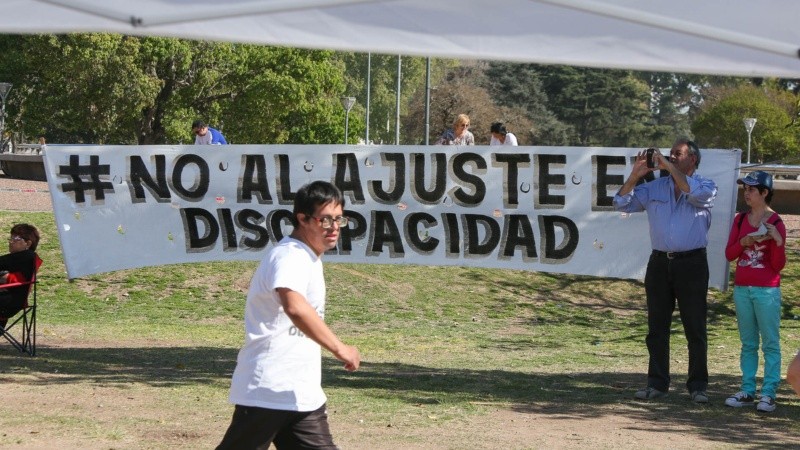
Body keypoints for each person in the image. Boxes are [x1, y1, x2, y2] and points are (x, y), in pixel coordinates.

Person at [217, 181, 360, 450]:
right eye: (325, 220)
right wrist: (340, 348)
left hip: (299, 395)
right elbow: (294, 307)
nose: (334, 228)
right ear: (303, 219)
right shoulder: (290, 256)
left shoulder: (307, 257)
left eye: (339, 219)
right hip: (268, 389)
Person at [613, 138, 717, 404]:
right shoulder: (655, 187)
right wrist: (636, 174)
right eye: (670, 154)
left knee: (695, 327)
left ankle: (697, 386)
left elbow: (689, 189)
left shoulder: (706, 185)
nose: (671, 157)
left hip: (692, 264)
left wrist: (669, 167)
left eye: (677, 154)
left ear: (693, 159)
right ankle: (657, 384)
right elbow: (621, 203)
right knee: (657, 327)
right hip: (659, 263)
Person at [723, 170, 786, 412]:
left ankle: (769, 393)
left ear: (764, 192)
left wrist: (778, 241)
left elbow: (778, 266)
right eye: (745, 189)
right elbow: (729, 254)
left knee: (770, 343)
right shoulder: (740, 219)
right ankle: (747, 389)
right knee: (748, 343)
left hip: (767, 291)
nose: (746, 193)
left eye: (751, 189)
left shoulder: (776, 222)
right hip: (742, 289)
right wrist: (744, 243)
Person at [0, 223, 40, 330]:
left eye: (16, 238)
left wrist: (4, 277)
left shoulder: (27, 255)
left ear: (28, 243)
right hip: (10, 300)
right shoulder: (23, 260)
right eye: (11, 237)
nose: (11, 241)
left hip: (8, 301)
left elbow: (14, 280)